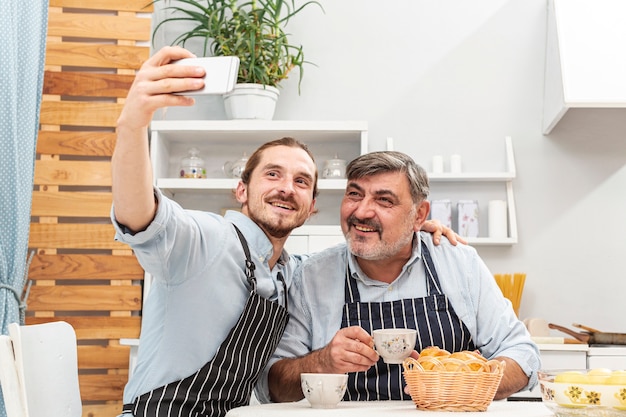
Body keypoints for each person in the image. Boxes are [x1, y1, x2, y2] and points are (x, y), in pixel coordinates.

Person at [111, 46, 461, 417]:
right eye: (272, 174)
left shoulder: (293, 272)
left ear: (311, 208)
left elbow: (357, 251)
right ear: (241, 190)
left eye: (302, 181)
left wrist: (410, 228)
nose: (286, 188)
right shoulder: (204, 239)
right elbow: (141, 214)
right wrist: (132, 125)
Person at [259, 151, 540, 404]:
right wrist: (322, 362)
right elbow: (273, 386)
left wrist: (462, 380)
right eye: (355, 194)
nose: (362, 211)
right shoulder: (311, 276)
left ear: (419, 215)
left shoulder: (458, 262)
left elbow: (523, 356)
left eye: (384, 200)